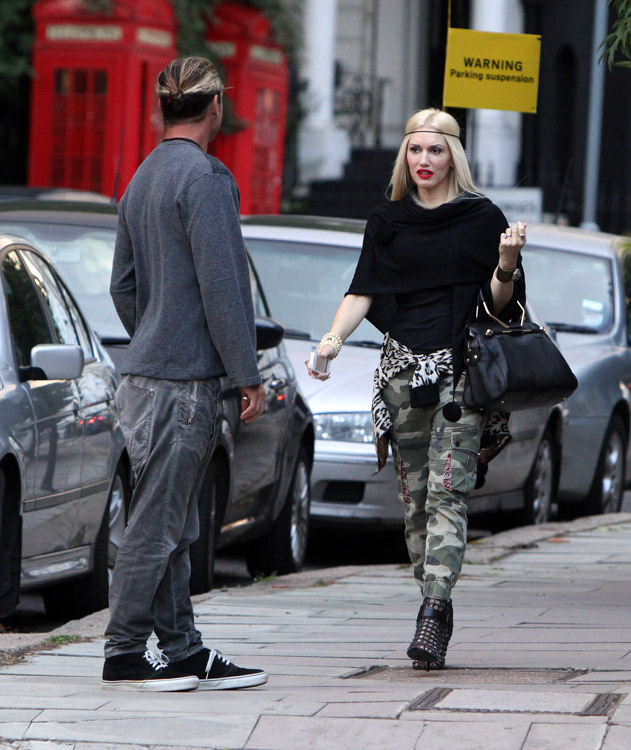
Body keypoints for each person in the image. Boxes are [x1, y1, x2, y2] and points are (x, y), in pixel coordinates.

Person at [308, 108, 527, 670]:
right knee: (417, 503)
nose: (424, 161)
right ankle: (434, 599)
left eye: (434, 150)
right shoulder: (387, 219)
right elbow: (363, 289)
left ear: (453, 154)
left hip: (460, 375)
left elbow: (502, 307)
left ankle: (434, 608)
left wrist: (504, 264)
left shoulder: (482, 218)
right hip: (402, 377)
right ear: (404, 156)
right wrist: (331, 341)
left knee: (449, 492)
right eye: (414, 150)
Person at [103, 56, 268, 692]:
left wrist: (153, 329)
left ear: (161, 108)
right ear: (216, 106)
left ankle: (181, 648)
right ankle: (123, 651)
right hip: (184, 386)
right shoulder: (206, 178)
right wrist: (245, 373)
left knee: (173, 519)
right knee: (160, 522)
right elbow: (224, 289)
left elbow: (122, 285)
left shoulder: (141, 177)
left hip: (141, 379)